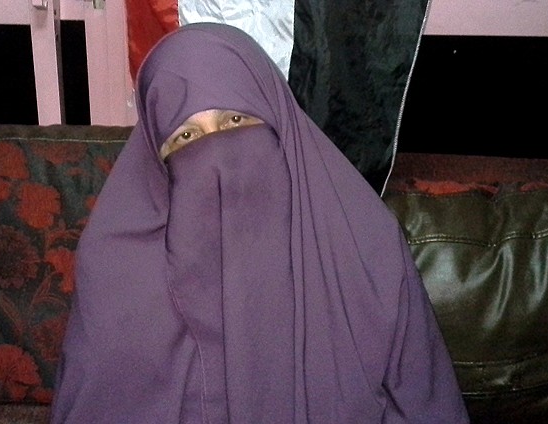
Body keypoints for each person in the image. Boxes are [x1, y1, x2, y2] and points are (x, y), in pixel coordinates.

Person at [50, 22, 469, 423]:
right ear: (156, 163)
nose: (217, 154)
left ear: (280, 124)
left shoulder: (366, 246)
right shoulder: (114, 269)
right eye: (186, 137)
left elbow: (424, 403)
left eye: (235, 120)